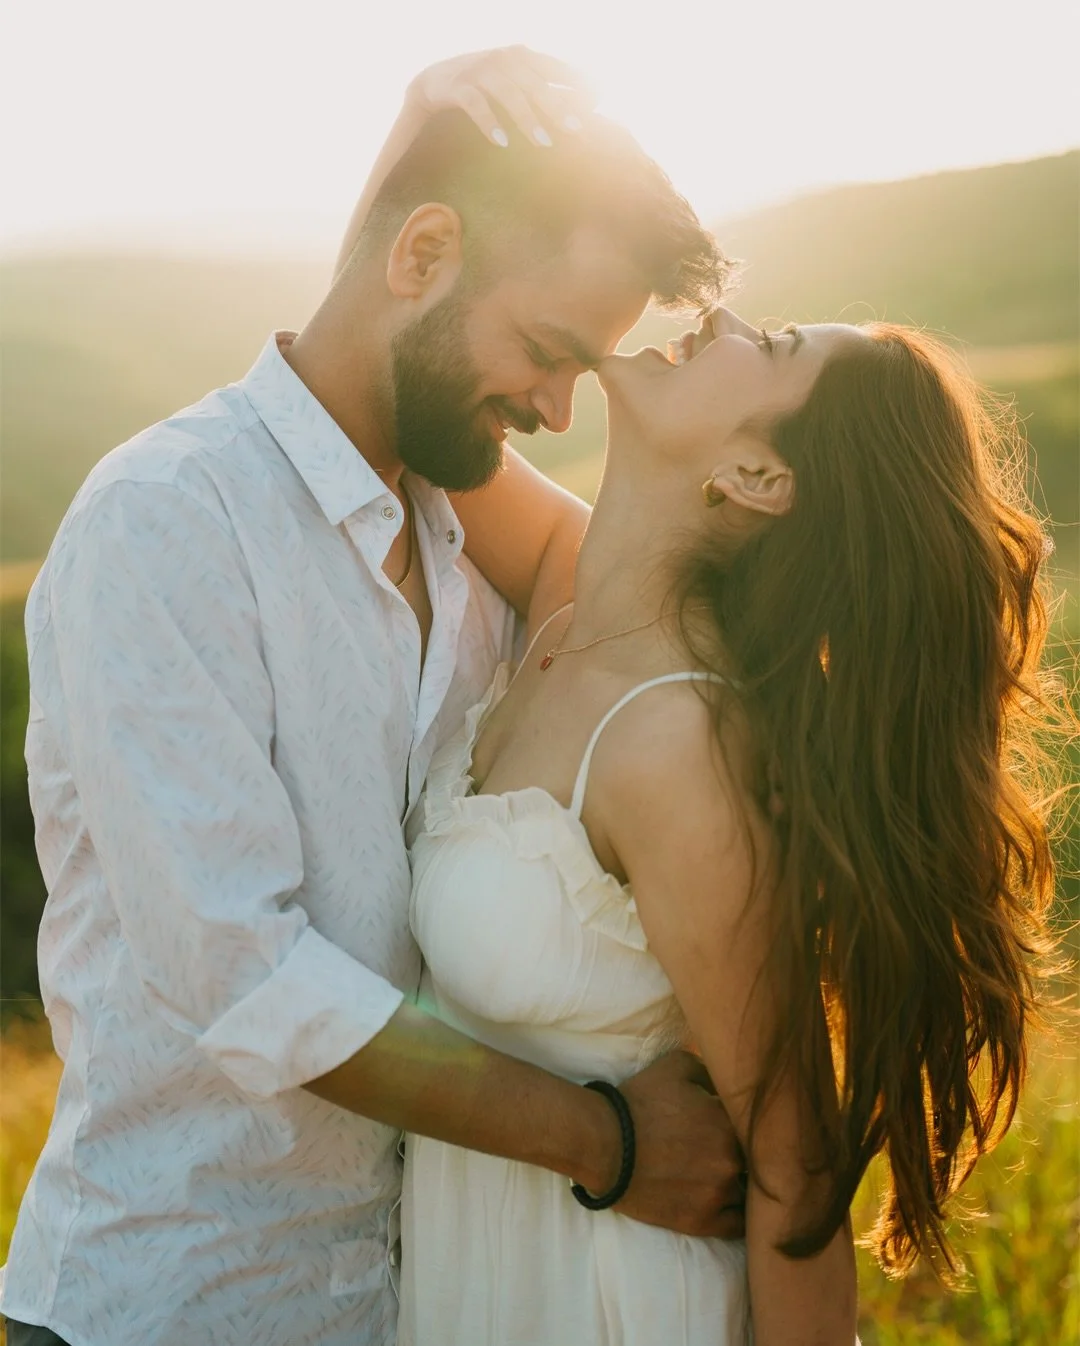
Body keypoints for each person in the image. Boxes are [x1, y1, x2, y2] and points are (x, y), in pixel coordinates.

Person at [1, 51, 747, 1346]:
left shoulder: (460, 529)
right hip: (170, 1300)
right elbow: (247, 976)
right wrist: (612, 1140)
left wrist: (420, 134)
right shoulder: (168, 520)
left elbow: (634, 594)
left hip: (400, 1303)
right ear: (424, 254)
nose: (559, 405)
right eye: (547, 349)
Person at [396, 305, 1063, 1344]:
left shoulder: (680, 745)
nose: (722, 314)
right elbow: (402, 401)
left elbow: (794, 1175)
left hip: (613, 1304)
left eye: (776, 344)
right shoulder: (567, 605)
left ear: (759, 478)